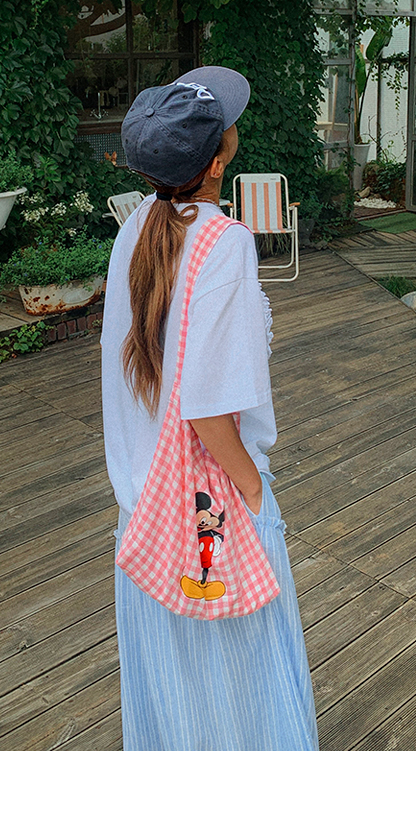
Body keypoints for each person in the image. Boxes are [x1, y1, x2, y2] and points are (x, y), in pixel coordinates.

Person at [101, 66, 318, 750]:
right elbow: (206, 405)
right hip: (212, 508)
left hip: (143, 507)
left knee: (177, 700)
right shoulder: (224, 243)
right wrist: (254, 491)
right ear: (218, 160)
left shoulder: (137, 227)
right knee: (246, 691)